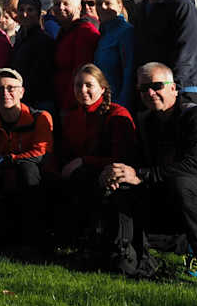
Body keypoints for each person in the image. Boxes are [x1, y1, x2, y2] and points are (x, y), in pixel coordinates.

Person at [100, 63, 197, 279]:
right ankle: (182, 241)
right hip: (168, 194)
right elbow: (137, 163)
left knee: (183, 183)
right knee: (123, 192)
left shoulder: (195, 116)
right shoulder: (145, 121)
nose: (150, 93)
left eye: (157, 86)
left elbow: (193, 168)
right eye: (143, 88)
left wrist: (140, 175)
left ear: (174, 88)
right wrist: (117, 173)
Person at [0, 68, 52, 248]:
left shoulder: (40, 118)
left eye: (11, 88)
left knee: (27, 168)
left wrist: (2, 161)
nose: (6, 93)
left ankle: (34, 237)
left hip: (38, 191)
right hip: (2, 190)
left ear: (21, 92)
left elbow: (41, 153)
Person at [54, 64, 137, 247]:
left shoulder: (117, 114)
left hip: (108, 174)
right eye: (78, 85)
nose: (83, 90)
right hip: (78, 172)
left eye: (88, 85)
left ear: (102, 88)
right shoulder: (72, 117)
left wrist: (83, 161)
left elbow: (122, 158)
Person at [51, 0, 101, 116]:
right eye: (57, 4)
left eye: (66, 3)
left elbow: (82, 71)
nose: (61, 7)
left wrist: (69, 106)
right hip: (61, 99)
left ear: (78, 7)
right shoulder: (64, 32)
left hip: (75, 104)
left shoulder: (84, 31)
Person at [9, 0, 55, 112]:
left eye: (30, 10)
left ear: (38, 13)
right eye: (21, 10)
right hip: (22, 99)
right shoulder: (19, 38)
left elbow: (42, 76)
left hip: (39, 102)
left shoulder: (44, 40)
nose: (25, 14)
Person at [93, 0, 135, 109]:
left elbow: (129, 71)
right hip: (103, 102)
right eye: (99, 4)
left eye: (108, 3)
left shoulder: (126, 32)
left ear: (119, 5)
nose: (103, 7)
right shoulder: (103, 35)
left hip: (118, 104)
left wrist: (122, 105)